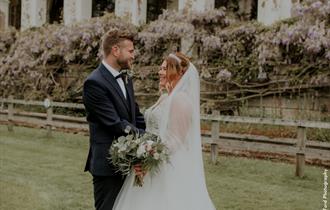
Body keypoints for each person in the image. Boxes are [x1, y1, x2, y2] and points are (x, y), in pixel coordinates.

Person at [113, 52, 216, 210]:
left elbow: (176, 139)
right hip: (153, 160)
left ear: (177, 72)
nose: (160, 72)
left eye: (164, 68)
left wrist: (149, 155)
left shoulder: (181, 100)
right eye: (160, 68)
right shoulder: (166, 97)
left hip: (168, 166)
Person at [83, 29, 146, 210]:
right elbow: (115, 124)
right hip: (108, 165)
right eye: (131, 51)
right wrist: (148, 138)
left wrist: (150, 140)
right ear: (115, 50)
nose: (134, 56)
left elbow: (136, 116)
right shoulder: (94, 83)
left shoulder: (126, 78)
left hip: (129, 161)